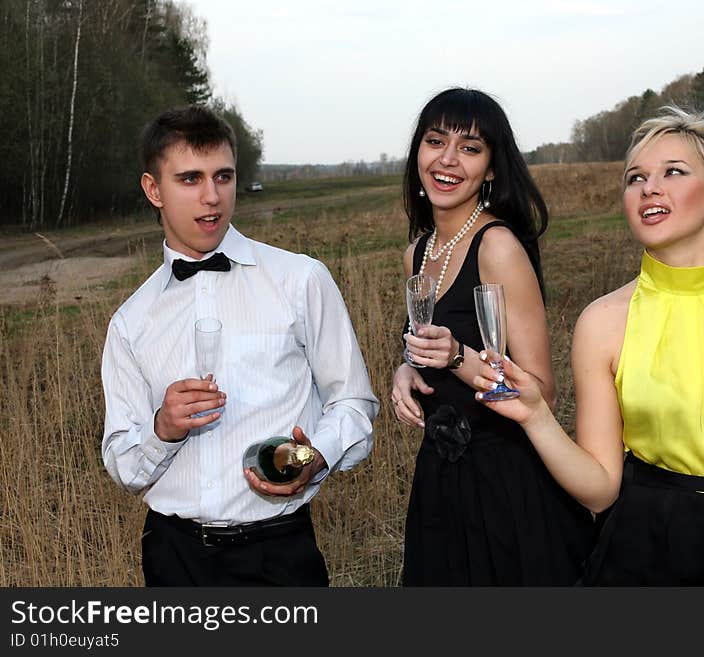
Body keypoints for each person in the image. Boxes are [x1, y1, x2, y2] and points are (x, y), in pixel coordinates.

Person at [475, 106, 704, 586]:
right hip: (647, 555)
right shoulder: (601, 322)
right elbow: (601, 490)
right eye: (635, 178)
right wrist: (535, 416)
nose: (649, 188)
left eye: (673, 172)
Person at [101, 105, 378, 586]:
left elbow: (354, 403)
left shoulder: (300, 280)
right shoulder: (130, 322)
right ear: (153, 190)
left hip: (280, 555)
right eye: (190, 179)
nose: (212, 197)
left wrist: (314, 459)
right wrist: (163, 429)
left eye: (223, 176)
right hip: (173, 560)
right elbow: (125, 466)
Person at [391, 87, 594, 585]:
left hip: (506, 482)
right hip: (440, 478)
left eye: (470, 148)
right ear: (418, 151)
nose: (447, 159)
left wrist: (457, 357)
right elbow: (427, 343)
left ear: (493, 167)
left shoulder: (497, 246)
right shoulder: (417, 253)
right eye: (435, 141)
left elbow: (541, 391)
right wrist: (406, 369)